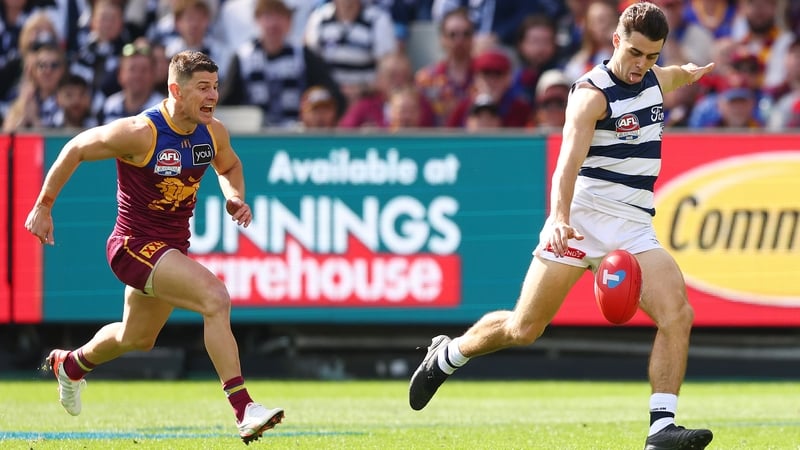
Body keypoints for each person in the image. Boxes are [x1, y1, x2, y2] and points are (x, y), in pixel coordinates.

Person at [408, 3, 716, 450]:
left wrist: (689, 71)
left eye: (651, 56)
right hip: (581, 223)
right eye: (634, 53)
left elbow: (674, 76)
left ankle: (660, 428)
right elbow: (566, 165)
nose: (641, 65)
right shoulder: (591, 94)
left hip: (632, 226)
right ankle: (449, 354)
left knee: (678, 315)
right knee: (523, 328)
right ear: (615, 41)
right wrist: (558, 218)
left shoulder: (653, 78)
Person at [24, 50, 284, 444]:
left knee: (137, 337)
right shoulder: (140, 132)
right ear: (176, 90)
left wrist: (234, 196)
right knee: (215, 298)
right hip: (133, 246)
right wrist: (43, 206)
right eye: (202, 88)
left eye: (214, 87)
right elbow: (76, 147)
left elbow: (229, 166)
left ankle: (71, 364)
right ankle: (244, 408)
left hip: (171, 248)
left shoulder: (212, 131)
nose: (212, 95)